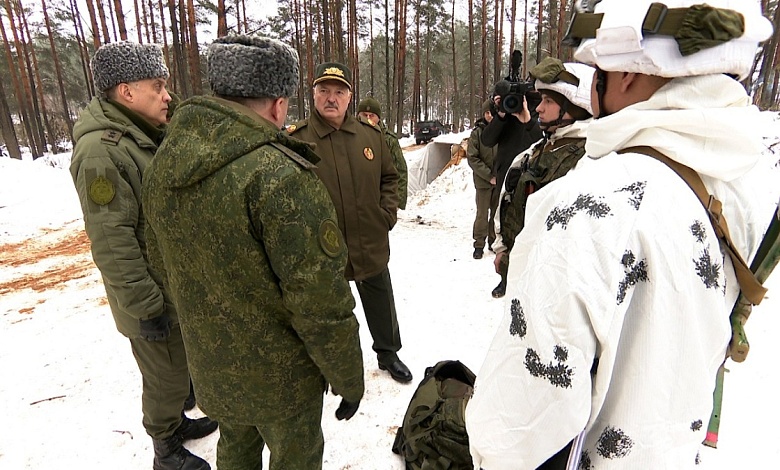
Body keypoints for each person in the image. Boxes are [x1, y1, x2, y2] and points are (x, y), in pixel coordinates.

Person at [466, 0, 778, 467]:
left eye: (599, 70)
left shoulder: (591, 204)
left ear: (629, 72)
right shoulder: (753, 178)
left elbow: (518, 426)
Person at [141, 36, 365, 469]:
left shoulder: (166, 163)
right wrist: (347, 376)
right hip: (283, 380)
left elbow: (160, 262)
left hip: (213, 367)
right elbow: (320, 302)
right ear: (279, 105)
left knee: (235, 447)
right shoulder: (281, 176)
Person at [69, 41, 217, 470]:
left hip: (169, 286)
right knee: (165, 377)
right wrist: (146, 305)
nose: (167, 95)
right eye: (158, 86)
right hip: (150, 297)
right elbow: (111, 240)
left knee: (177, 367)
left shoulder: (143, 135)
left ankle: (175, 424)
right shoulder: (103, 151)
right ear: (127, 91)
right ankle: (165, 449)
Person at [288, 62, 412, 384]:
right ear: (313, 94)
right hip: (323, 249)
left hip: (369, 239)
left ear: (349, 96)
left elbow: (390, 177)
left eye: (339, 92)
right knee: (328, 312)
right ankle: (332, 365)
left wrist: (387, 213)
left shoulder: (370, 136)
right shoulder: (297, 140)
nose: (332, 98)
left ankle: (388, 353)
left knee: (380, 300)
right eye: (324, 90)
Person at [490, 58, 594, 299]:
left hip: (554, 285)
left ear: (575, 106)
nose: (539, 108)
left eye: (548, 101)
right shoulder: (539, 149)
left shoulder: (589, 158)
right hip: (523, 274)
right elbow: (508, 196)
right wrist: (502, 248)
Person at [481, 72, 542, 206]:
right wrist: (501, 113)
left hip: (532, 177)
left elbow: (543, 140)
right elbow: (487, 140)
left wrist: (528, 121)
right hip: (505, 176)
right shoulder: (508, 108)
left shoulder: (544, 110)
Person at [357, 97, 409, 210]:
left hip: (381, 201)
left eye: (372, 115)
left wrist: (396, 202)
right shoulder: (351, 137)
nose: (368, 118)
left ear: (378, 118)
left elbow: (400, 171)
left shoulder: (389, 140)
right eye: (364, 115)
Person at [466, 99, 499, 260]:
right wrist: (488, 176)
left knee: (496, 213)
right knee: (482, 215)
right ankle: (479, 244)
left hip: (499, 180)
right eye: (487, 113)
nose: (490, 116)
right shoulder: (477, 133)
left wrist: (499, 174)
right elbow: (472, 158)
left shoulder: (501, 131)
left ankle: (493, 241)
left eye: (492, 113)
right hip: (483, 181)